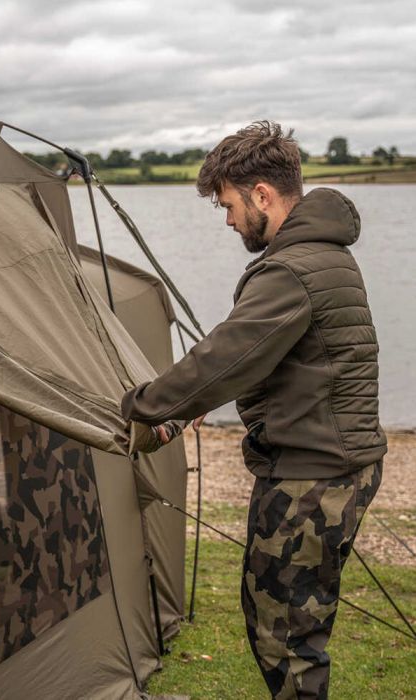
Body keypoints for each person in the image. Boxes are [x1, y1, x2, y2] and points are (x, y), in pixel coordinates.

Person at [121, 121, 387, 699]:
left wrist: (143, 405)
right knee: (289, 619)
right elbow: (274, 360)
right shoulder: (327, 255)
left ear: (262, 194)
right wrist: (194, 405)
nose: (228, 220)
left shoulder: (291, 269)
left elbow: (227, 355)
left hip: (311, 478)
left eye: (229, 205)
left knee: (284, 637)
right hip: (337, 467)